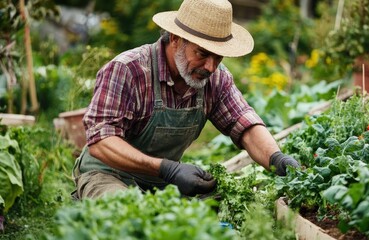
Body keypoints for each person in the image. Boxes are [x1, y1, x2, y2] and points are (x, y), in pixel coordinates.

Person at [72, 0, 299, 200]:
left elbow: (243, 123)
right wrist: (168, 169)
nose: (210, 67)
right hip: (108, 175)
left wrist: (276, 158)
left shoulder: (216, 79)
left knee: (225, 203)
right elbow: (101, 142)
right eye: (202, 53)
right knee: (128, 214)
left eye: (217, 57)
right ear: (176, 39)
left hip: (160, 183)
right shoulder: (128, 70)